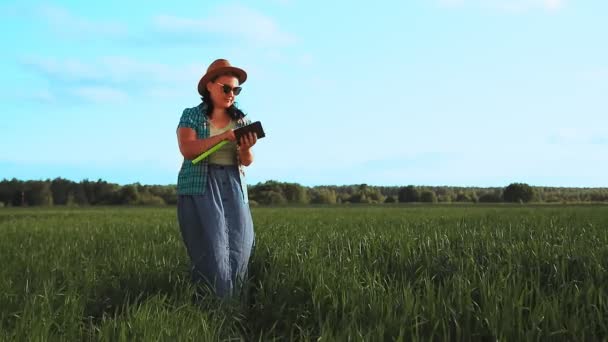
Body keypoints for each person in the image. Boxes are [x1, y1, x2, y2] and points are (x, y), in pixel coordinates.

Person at [176, 59, 257, 298]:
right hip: (201, 185)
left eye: (236, 90)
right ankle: (211, 307)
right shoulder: (191, 115)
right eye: (226, 88)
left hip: (233, 183)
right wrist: (224, 137)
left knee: (240, 246)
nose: (231, 94)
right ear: (209, 86)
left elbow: (247, 161)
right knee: (212, 248)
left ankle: (235, 308)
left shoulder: (242, 119)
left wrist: (245, 147)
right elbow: (188, 150)